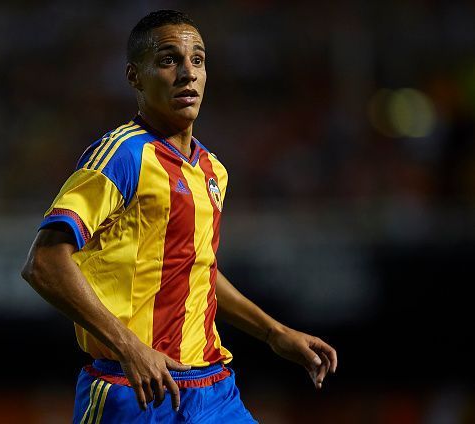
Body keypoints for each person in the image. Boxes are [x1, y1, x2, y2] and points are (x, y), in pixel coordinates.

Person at [22, 9, 337, 423]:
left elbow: (195, 270)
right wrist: (131, 348)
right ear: (135, 76)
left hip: (212, 389)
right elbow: (43, 263)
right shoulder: (122, 155)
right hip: (133, 387)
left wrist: (273, 332)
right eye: (169, 60)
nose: (188, 73)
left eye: (198, 60)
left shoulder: (212, 170)